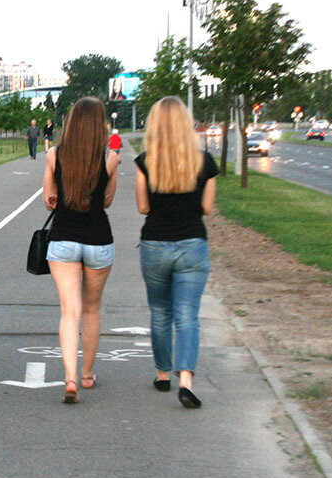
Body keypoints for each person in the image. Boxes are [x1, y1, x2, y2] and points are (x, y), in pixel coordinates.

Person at [134, 96, 218, 409]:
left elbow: (143, 207)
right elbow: (207, 208)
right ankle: (186, 380)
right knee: (187, 315)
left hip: (155, 243)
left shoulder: (145, 162)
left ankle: (161, 374)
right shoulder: (204, 162)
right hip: (193, 244)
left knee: (160, 311)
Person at [43, 96, 120, 403]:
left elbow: (49, 198)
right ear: (100, 127)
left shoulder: (53, 156)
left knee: (69, 312)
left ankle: (70, 378)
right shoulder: (110, 160)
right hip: (99, 239)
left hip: (63, 239)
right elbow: (107, 201)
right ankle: (88, 375)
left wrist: (58, 192)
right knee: (91, 309)